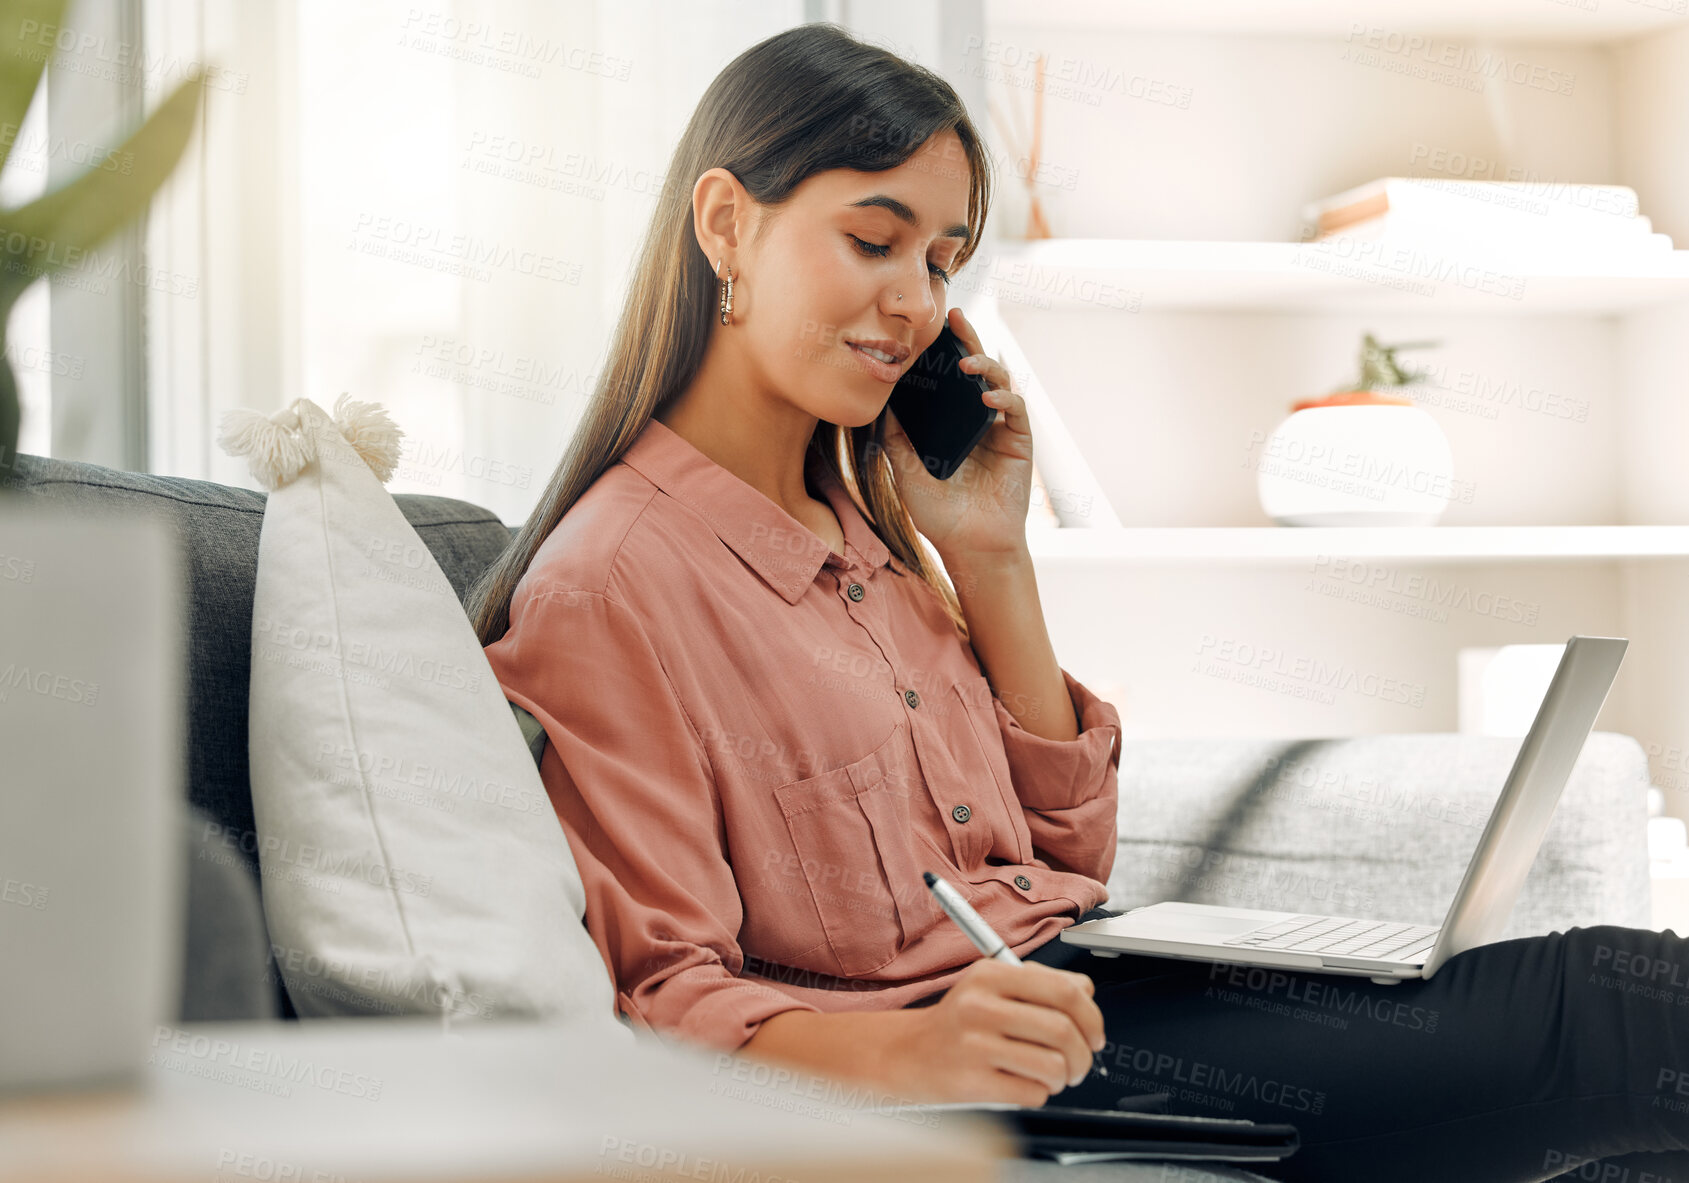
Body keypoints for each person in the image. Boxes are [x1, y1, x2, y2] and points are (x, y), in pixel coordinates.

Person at [471, 22, 1689, 1183]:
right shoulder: (609, 586)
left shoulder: (869, 535)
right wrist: (915, 1053)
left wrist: (994, 562)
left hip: (1099, 988)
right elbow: (661, 996)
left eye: (942, 260)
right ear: (727, 225)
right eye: (874, 239)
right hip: (1004, 1068)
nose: (917, 303)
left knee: (1614, 1088)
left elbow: (1065, 861)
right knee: (1606, 1011)